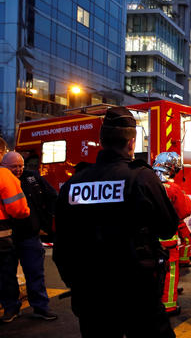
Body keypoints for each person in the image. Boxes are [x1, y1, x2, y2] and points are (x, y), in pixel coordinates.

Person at [53, 106, 179, 337]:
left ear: (102, 141)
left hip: (90, 292)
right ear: (131, 143)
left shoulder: (75, 183)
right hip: (136, 291)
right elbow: (168, 227)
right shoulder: (141, 177)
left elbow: (61, 244)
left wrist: (76, 283)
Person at [0, 152, 58, 322]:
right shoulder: (5, 179)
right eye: (14, 167)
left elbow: (52, 196)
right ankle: (11, 308)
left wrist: (45, 224)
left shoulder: (32, 178)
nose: (18, 170)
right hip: (7, 237)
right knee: (6, 275)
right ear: (4, 165)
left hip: (29, 235)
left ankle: (40, 307)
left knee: (35, 273)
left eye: (20, 166)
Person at [152, 152, 191, 316]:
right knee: (169, 273)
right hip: (167, 241)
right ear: (172, 169)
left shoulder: (147, 184)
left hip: (148, 240)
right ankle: (168, 305)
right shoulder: (173, 189)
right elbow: (184, 211)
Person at [0, 139, 31, 323]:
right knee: (6, 272)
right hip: (2, 234)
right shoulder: (3, 175)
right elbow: (18, 209)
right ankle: (11, 308)